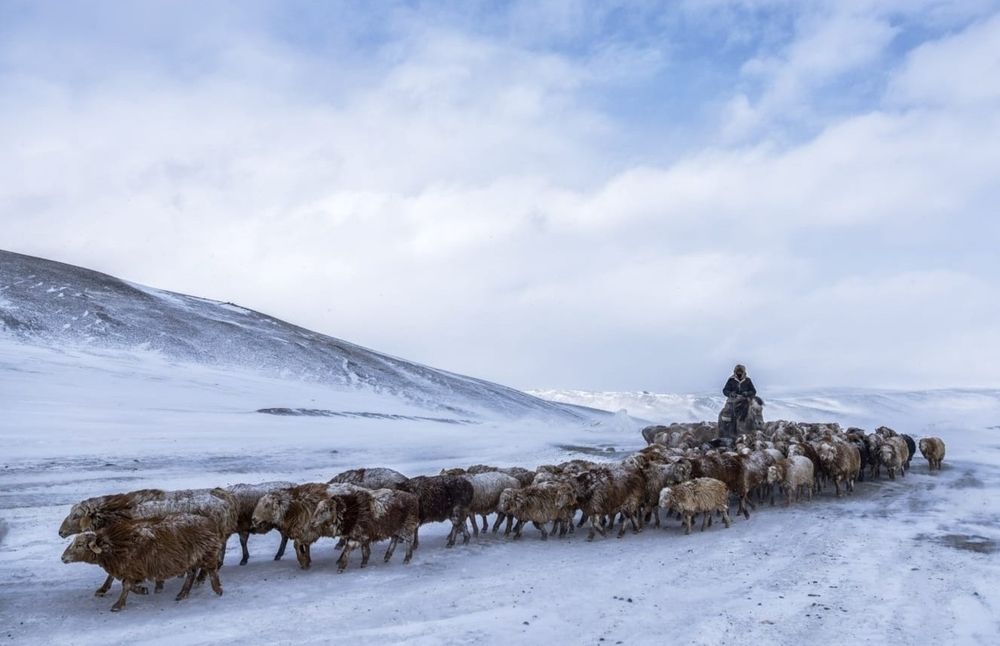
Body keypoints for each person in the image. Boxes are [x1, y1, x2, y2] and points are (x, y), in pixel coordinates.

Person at [721, 364, 757, 437]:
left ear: (744, 372)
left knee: (755, 409)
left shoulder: (748, 380)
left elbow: (753, 391)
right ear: (735, 371)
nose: (739, 373)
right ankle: (726, 429)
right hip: (733, 400)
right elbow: (725, 390)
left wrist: (747, 393)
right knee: (727, 410)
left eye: (741, 371)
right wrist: (731, 394)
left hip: (745, 399)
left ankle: (757, 425)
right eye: (738, 371)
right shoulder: (731, 380)